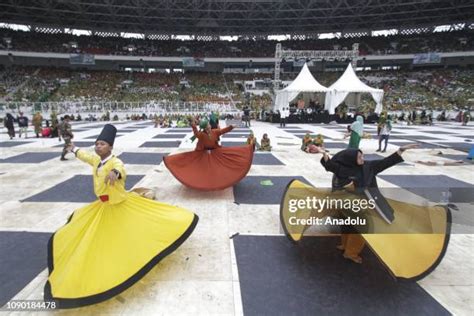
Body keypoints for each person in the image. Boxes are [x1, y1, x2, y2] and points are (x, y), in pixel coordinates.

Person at [44, 124, 198, 308]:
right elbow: (86, 157)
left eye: (102, 144)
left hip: (118, 205)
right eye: (97, 143)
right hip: (102, 206)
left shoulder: (115, 162)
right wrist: (75, 149)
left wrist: (115, 173)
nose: (98, 146)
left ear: (110, 147)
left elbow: (120, 169)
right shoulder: (96, 160)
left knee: (126, 233)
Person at [312, 143, 419, 263]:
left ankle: (351, 252)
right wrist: (323, 153)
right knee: (347, 225)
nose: (363, 159)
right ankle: (345, 246)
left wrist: (401, 150)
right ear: (350, 160)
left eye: (362, 156)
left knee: (361, 227)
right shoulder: (344, 169)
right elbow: (330, 165)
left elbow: (387, 162)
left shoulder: (369, 167)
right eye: (359, 157)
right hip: (346, 204)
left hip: (363, 206)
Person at [163, 118, 254, 191]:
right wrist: (193, 125)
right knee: (203, 169)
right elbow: (196, 133)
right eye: (207, 126)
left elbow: (222, 131)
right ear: (205, 127)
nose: (209, 127)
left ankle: (223, 178)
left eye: (209, 125)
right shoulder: (201, 134)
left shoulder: (214, 132)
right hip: (203, 154)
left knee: (224, 161)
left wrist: (231, 127)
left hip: (215, 152)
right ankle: (203, 181)